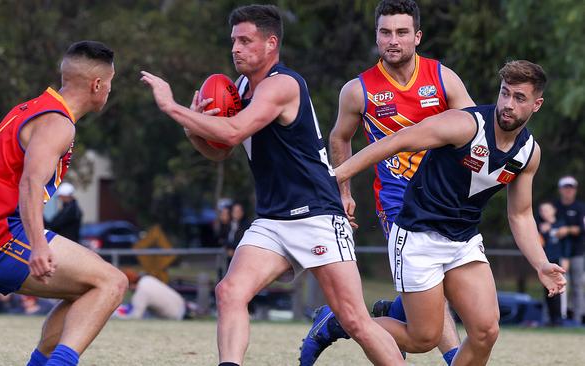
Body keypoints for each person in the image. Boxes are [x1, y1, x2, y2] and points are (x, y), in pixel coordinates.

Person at [141, 5, 405, 366]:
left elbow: (234, 129)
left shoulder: (282, 84)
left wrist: (172, 107)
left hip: (316, 214)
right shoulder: (241, 88)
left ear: (270, 43)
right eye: (233, 40)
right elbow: (222, 150)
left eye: (245, 40)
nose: (235, 48)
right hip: (273, 219)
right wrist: (192, 129)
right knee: (229, 291)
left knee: (354, 319)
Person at [314, 60, 566, 365]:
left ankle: (346, 322)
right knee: (422, 339)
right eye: (505, 93)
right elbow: (395, 142)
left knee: (486, 331)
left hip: (463, 242)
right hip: (418, 238)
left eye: (519, 98)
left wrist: (540, 264)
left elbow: (521, 215)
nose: (508, 104)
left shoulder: (528, 153)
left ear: (537, 104)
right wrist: (335, 178)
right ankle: (338, 323)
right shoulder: (465, 125)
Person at [300, 1, 472, 364]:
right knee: (438, 291)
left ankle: (344, 321)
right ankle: (454, 358)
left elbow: (475, 132)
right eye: (385, 32)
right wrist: (344, 193)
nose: (393, 40)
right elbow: (339, 138)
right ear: (377, 36)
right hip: (397, 205)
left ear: (417, 36)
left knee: (441, 289)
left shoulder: (443, 78)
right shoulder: (358, 90)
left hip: (445, 202)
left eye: (402, 32)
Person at [0, 41, 127, 366]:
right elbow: (30, 183)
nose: (109, 90)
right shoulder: (58, 124)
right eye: (110, 83)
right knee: (113, 282)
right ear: (97, 84)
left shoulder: (29, 109)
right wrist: (38, 246)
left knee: (88, 288)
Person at [554, 176, 585, 324]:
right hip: (557, 253)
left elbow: (582, 228)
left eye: (571, 188)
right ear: (561, 190)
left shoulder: (580, 208)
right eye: (565, 188)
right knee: (555, 285)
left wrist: (567, 230)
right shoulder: (555, 207)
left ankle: (578, 319)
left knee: (577, 285)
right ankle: (554, 319)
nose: (568, 191)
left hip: (576, 253)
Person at [537, 201, 565, 325]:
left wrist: (566, 260)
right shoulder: (540, 227)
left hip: (558, 261)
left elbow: (566, 244)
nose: (544, 213)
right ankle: (551, 318)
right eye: (542, 210)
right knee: (548, 290)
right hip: (545, 263)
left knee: (560, 289)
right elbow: (539, 244)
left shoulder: (561, 225)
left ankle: (560, 317)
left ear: (553, 210)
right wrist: (542, 232)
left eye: (547, 210)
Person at [118, 270, 187, 320]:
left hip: (175, 316)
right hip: (183, 306)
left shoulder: (140, 293)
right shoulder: (147, 278)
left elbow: (135, 316)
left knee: (145, 316)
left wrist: (116, 316)